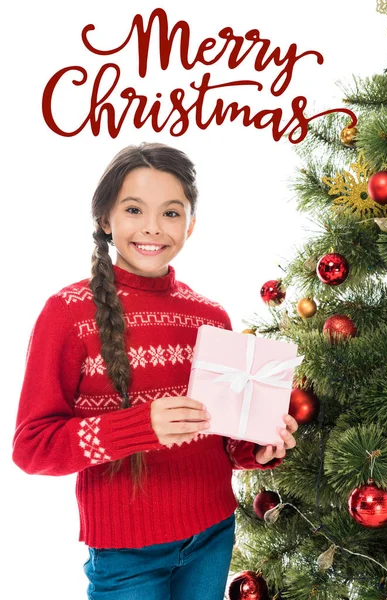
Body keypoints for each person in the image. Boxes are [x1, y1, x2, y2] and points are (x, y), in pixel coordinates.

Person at [12, 142, 299, 600]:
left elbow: (221, 438)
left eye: (170, 213)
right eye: (133, 209)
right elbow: (32, 447)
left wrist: (257, 448)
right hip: (125, 555)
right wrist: (140, 428)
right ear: (106, 220)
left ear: (191, 224)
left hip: (212, 535)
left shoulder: (210, 316)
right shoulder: (66, 313)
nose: (152, 227)